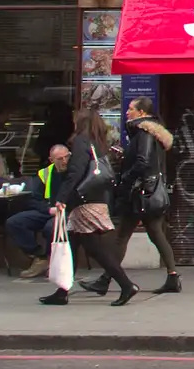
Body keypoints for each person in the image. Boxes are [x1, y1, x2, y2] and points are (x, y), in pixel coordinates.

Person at [81, 98, 180, 296]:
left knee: (121, 237)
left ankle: (107, 279)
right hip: (150, 192)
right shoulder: (152, 133)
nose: (127, 112)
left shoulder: (143, 132)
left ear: (142, 113)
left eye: (131, 109)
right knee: (156, 234)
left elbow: (143, 161)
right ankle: (173, 277)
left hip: (139, 193)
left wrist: (125, 177)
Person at [41, 109, 138, 307]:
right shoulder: (98, 142)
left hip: (85, 201)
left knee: (94, 248)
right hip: (96, 198)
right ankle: (62, 291)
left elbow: (75, 172)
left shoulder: (81, 142)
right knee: (73, 244)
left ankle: (126, 284)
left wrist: (61, 198)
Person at [8, 144, 69, 280]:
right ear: (51, 159)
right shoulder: (45, 173)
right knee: (15, 222)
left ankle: (52, 260)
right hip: (48, 209)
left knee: (50, 228)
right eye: (60, 159)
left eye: (67, 157)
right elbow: (33, 199)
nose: (64, 161)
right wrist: (48, 209)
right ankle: (39, 256)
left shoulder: (74, 171)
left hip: (67, 211)